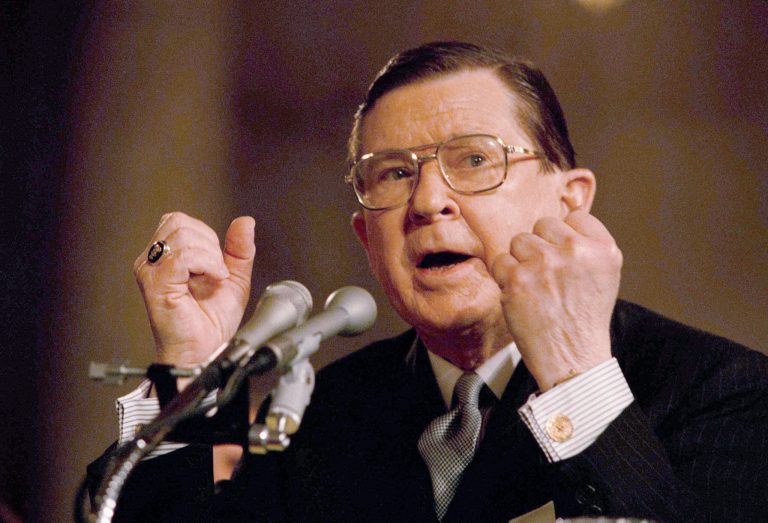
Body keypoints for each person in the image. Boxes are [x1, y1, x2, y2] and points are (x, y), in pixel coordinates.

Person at [88, 41, 768, 522]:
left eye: (473, 159)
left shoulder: (723, 391)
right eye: (393, 173)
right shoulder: (322, 416)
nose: (427, 201)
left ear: (570, 203)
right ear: (367, 239)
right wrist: (185, 364)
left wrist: (571, 369)